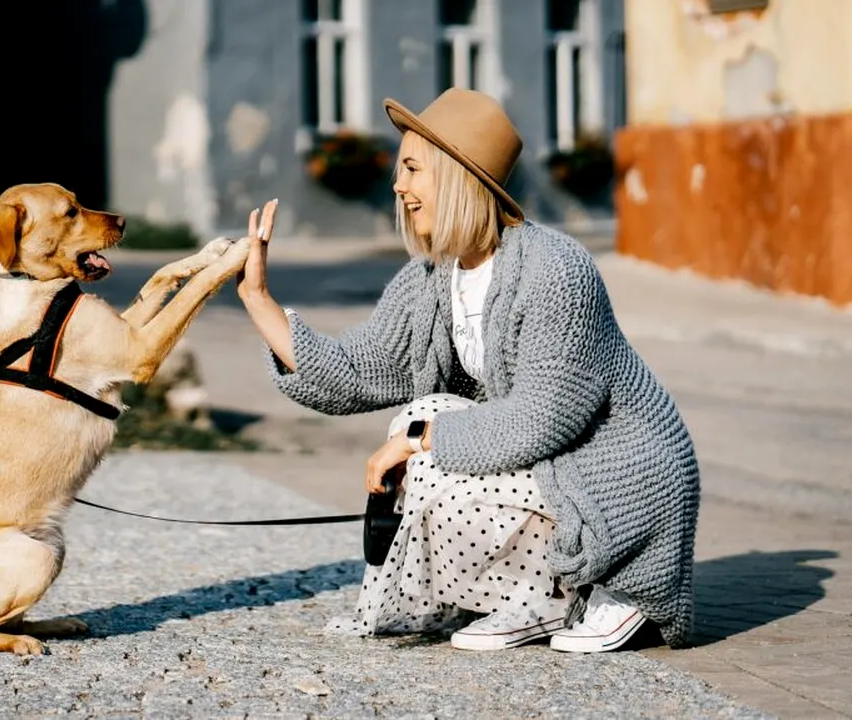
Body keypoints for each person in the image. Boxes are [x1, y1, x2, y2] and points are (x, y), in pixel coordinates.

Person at [234, 89, 699, 653]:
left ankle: (587, 588)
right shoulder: (434, 276)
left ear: (456, 176)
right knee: (422, 416)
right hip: (551, 466)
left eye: (412, 169)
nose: (398, 186)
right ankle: (529, 596)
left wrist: (417, 442)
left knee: (424, 438)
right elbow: (358, 371)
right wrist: (259, 299)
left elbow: (542, 419)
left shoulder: (556, 270)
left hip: (618, 476)